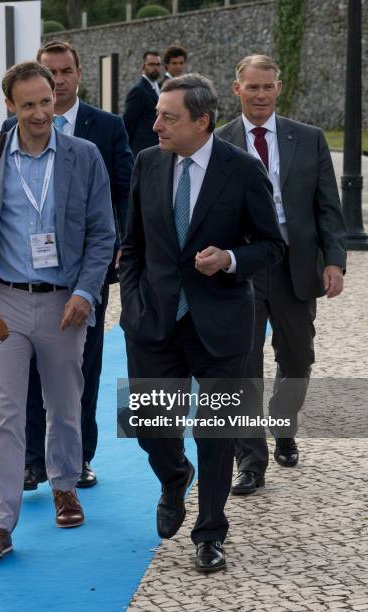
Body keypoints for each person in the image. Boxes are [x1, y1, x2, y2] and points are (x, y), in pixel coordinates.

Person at [119, 74, 284, 572]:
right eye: (157, 114)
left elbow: (272, 245)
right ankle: (174, 478)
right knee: (150, 425)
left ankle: (210, 531)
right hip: (155, 320)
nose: (156, 125)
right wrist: (132, 305)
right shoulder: (148, 163)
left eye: (168, 117)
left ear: (202, 121)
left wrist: (231, 258)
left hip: (221, 322)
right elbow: (132, 247)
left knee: (215, 432)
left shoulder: (242, 170)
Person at [0, 61, 115, 561]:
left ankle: (65, 485)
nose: (39, 113)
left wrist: (86, 292)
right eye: (28, 104)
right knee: (3, 414)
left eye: (45, 102)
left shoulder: (83, 155)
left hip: (62, 302)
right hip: (2, 299)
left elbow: (102, 234)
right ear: (11, 105)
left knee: (64, 405)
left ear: (56, 98)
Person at [2, 40, 133, 491]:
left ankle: (80, 459)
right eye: (48, 73)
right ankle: (34, 460)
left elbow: (124, 190)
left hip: (84, 272)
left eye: (64, 72)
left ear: (79, 74)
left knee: (83, 369)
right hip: (23, 281)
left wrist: (119, 242)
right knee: (29, 375)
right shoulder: (6, 134)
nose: (57, 81)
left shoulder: (107, 128)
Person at [216, 55, 347, 495]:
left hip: (295, 266)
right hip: (243, 270)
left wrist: (334, 260)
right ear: (237, 89)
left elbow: (328, 206)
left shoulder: (307, 139)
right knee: (242, 365)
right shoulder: (220, 141)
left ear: (278, 87)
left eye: (268, 87)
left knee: (297, 359)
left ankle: (283, 424)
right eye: (252, 87)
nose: (260, 95)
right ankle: (250, 462)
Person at [123, 50, 162, 157]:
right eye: (151, 64)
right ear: (143, 66)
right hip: (143, 149)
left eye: (158, 64)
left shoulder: (157, 87)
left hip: (157, 148)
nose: (155, 68)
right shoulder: (139, 90)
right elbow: (128, 123)